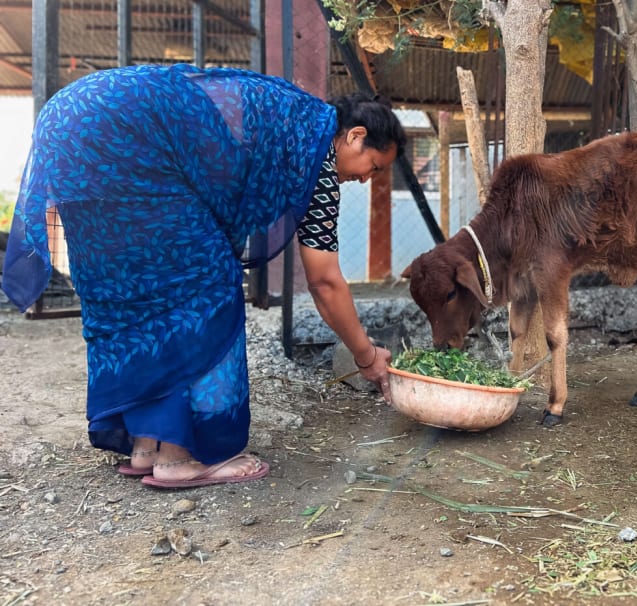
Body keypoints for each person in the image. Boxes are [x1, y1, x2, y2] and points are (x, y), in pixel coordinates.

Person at [1, 63, 405, 489]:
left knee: (137, 291)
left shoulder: (295, 117)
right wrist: (367, 357)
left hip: (69, 118)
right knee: (209, 290)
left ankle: (148, 444)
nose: (365, 179)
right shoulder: (319, 149)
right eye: (374, 167)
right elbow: (324, 281)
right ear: (355, 136)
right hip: (123, 134)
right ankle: (180, 458)